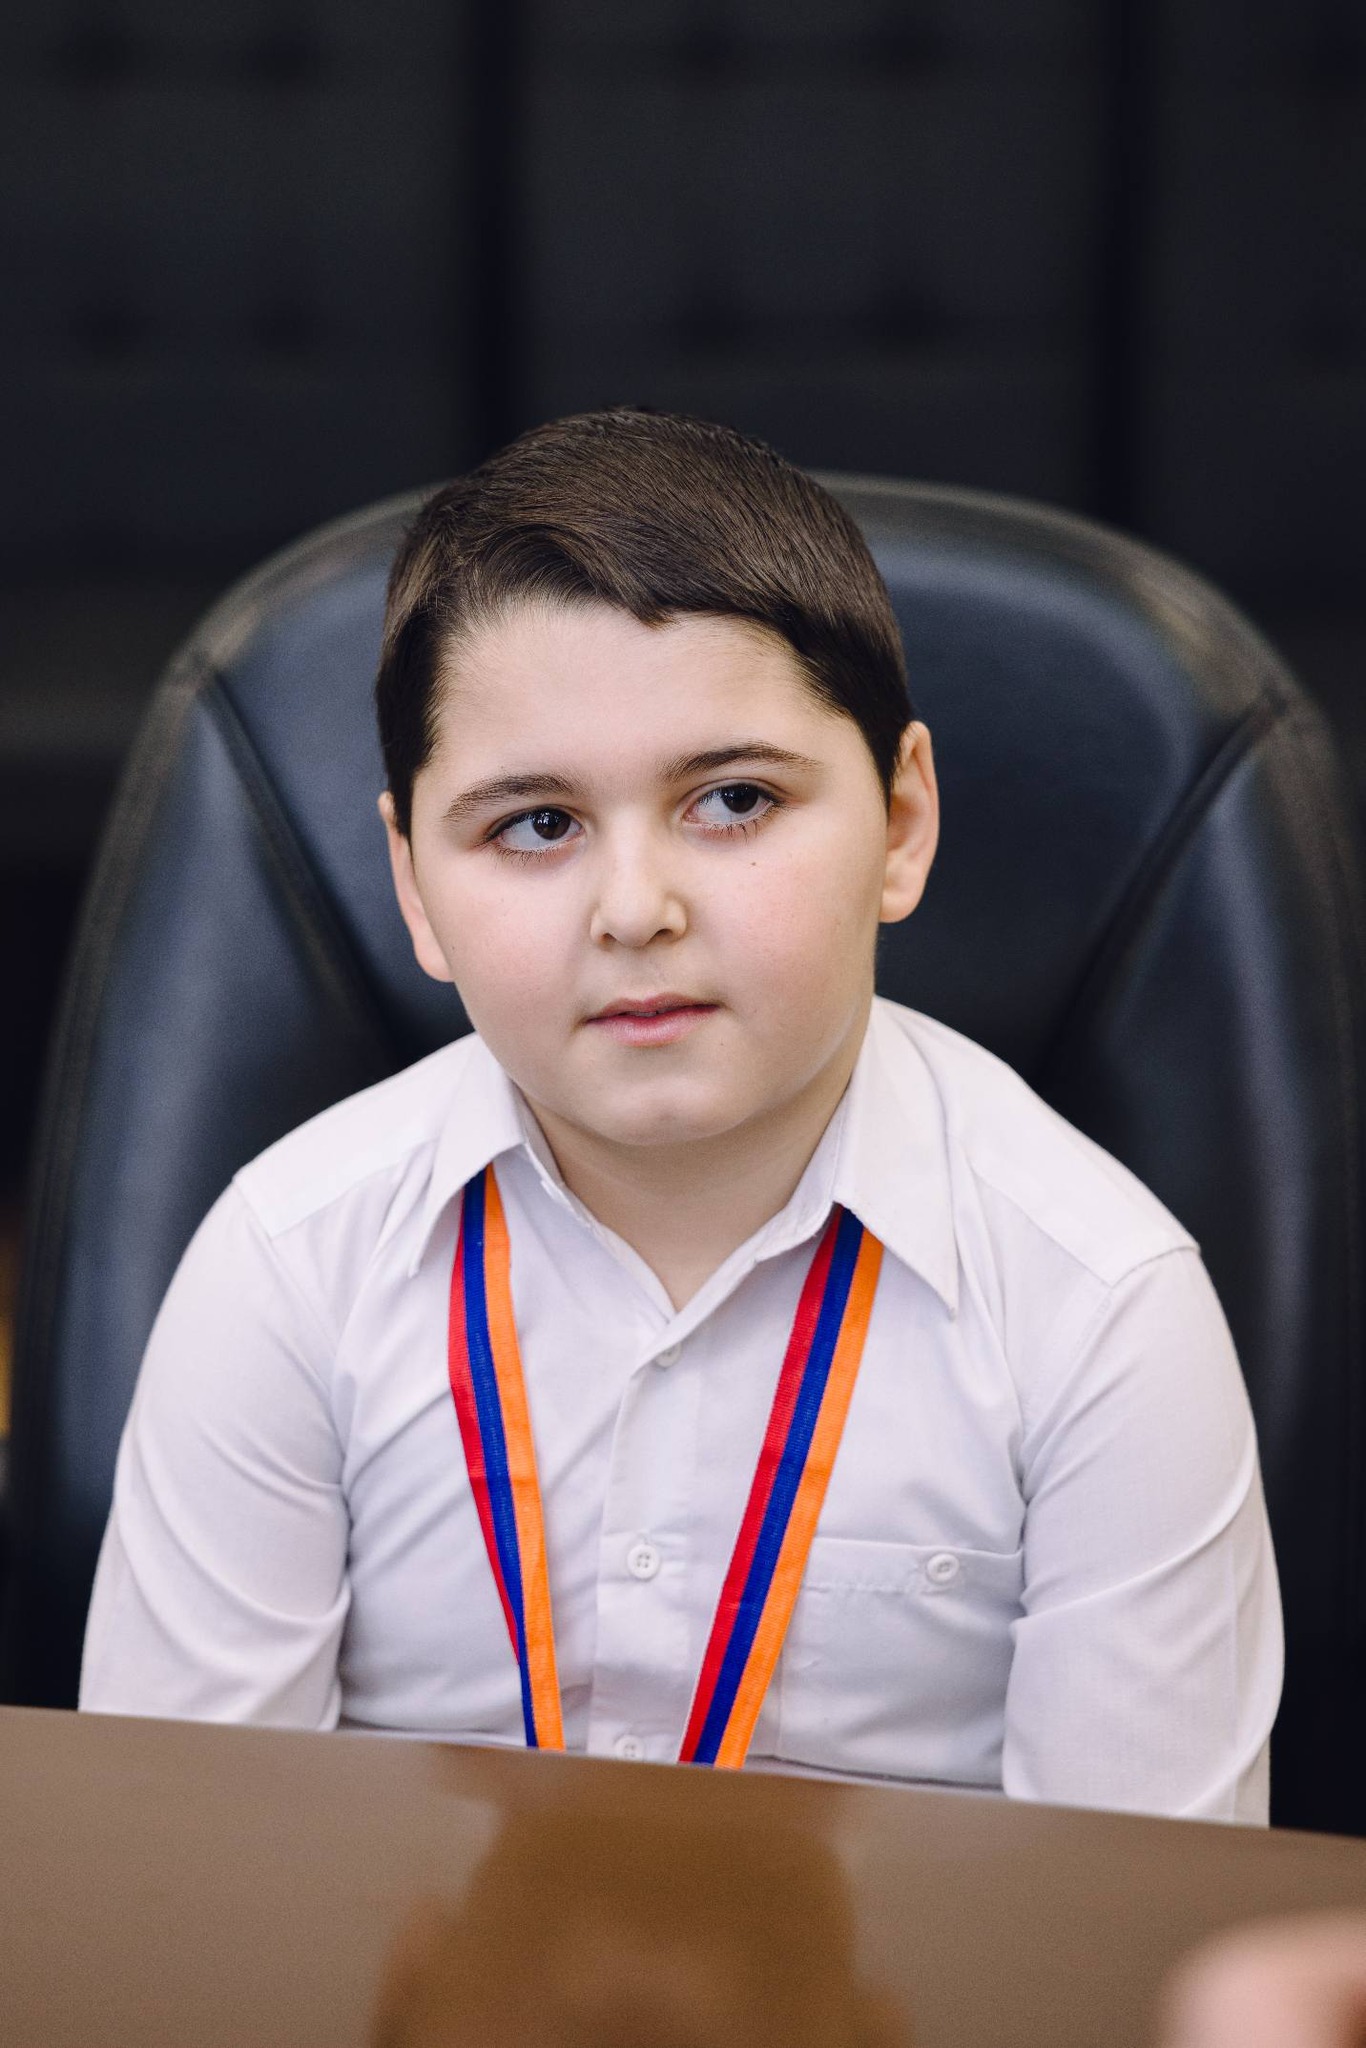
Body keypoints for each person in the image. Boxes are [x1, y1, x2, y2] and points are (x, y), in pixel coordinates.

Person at [79, 407, 1281, 1818]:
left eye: (733, 800)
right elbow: (186, 1865)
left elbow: (1133, 1928)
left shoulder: (1099, 1305)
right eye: (535, 825)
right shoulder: (293, 1264)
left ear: (900, 823)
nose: (635, 911)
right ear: (413, 886)